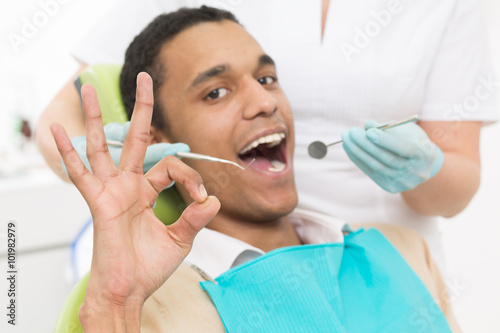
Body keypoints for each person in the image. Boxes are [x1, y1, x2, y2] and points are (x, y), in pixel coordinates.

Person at [51, 7, 461, 331]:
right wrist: (116, 304)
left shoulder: (405, 252)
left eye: (267, 79)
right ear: (156, 141)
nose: (265, 102)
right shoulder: (154, 306)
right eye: (216, 92)